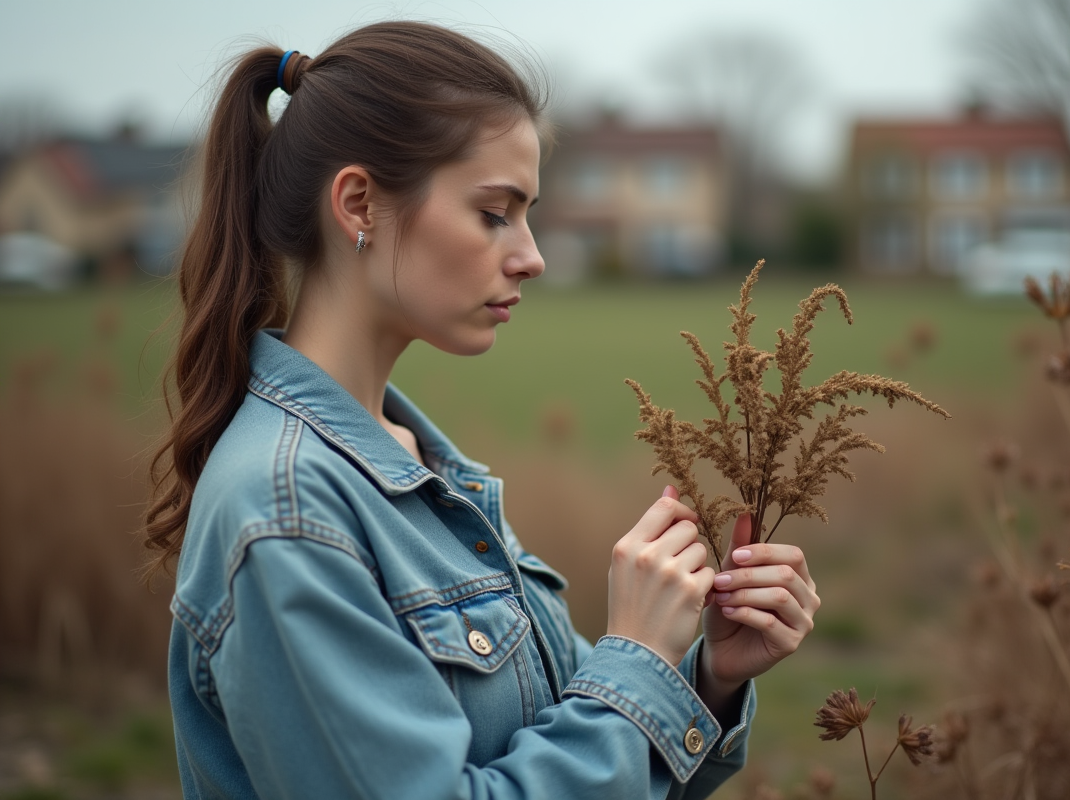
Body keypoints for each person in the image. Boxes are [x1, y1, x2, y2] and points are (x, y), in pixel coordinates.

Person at [144, 20, 820, 800]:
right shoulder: (288, 513)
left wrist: (704, 675)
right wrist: (634, 654)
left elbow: (578, 748)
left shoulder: (417, 466)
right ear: (359, 203)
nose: (530, 255)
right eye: (495, 213)